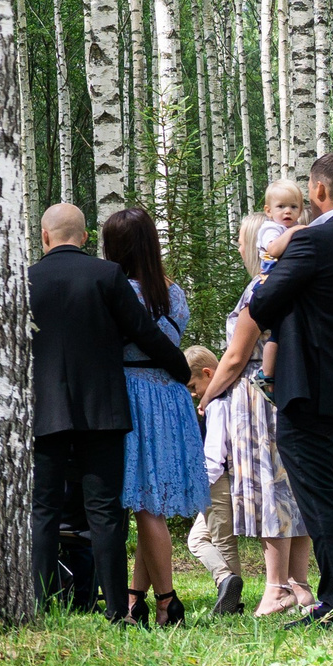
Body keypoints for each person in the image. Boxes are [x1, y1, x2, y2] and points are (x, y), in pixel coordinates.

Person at [209, 153, 333, 623]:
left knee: (321, 497)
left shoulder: (311, 241)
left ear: (318, 191)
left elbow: (264, 301)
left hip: (308, 391)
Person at [27, 201, 190, 620]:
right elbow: (144, 332)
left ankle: (40, 606)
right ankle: (118, 609)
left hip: (45, 410)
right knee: (105, 513)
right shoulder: (106, 275)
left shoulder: (26, 279)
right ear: (84, 237)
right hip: (102, 410)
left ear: (44, 237)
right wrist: (180, 367)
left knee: (44, 510)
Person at [99, 207, 209, 628]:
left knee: (146, 506)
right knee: (153, 502)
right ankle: (135, 598)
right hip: (171, 397)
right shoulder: (173, 292)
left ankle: (167, 601)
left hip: (134, 394)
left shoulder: (121, 291)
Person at [182, 345, 246, 616]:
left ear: (208, 373)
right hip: (216, 481)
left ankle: (232, 603)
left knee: (223, 541)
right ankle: (225, 579)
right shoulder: (224, 398)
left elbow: (214, 453)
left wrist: (201, 484)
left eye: (193, 386)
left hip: (216, 481)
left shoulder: (218, 403)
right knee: (197, 539)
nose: (193, 393)